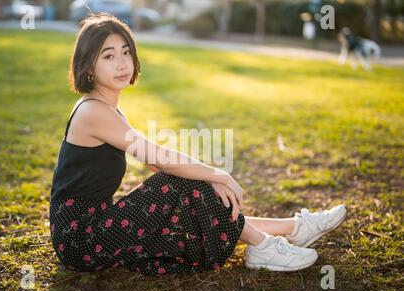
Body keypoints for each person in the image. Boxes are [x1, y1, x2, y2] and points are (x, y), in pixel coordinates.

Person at [49, 13, 347, 276]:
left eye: (126, 52)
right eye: (108, 56)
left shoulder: (106, 109)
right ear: (88, 64)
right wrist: (217, 175)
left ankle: (292, 230)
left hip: (97, 226)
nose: (122, 63)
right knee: (178, 183)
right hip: (81, 240)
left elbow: (154, 161)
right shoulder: (92, 112)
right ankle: (265, 246)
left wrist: (203, 177)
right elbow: (159, 157)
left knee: (193, 200)